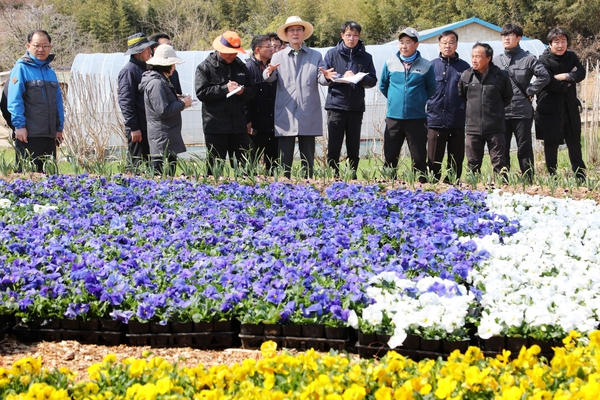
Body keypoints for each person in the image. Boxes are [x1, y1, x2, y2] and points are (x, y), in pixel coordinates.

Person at [264, 16, 335, 178]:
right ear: (287, 35)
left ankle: (308, 187)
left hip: (307, 110)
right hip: (286, 112)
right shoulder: (277, 57)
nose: (295, 33)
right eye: (292, 30)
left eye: (298, 30)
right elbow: (269, 77)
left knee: (308, 158)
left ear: (303, 33)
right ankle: (285, 187)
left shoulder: (315, 56)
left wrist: (328, 77)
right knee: (285, 159)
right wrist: (268, 72)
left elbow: (321, 77)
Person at [494, 23, 550, 181]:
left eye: (510, 35)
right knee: (501, 149)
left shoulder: (529, 58)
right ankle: (502, 181)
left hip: (521, 111)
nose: (506, 38)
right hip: (502, 113)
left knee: (524, 148)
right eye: (504, 35)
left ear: (518, 38)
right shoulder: (497, 61)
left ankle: (528, 180)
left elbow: (544, 76)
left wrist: (530, 90)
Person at [380, 27, 436, 182]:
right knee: (390, 155)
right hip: (393, 118)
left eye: (408, 42)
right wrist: (394, 101)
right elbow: (383, 86)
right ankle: (389, 184)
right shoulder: (390, 63)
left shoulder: (426, 65)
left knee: (418, 156)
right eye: (401, 42)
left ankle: (420, 185)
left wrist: (417, 101)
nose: (404, 46)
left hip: (416, 118)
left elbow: (431, 88)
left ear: (416, 45)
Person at [195, 31, 255, 174]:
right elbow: (201, 93)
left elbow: (252, 91)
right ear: (219, 49)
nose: (232, 55)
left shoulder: (241, 67)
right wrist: (224, 89)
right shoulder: (205, 67)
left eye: (235, 52)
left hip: (238, 125)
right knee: (215, 168)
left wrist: (243, 92)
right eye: (229, 52)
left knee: (245, 168)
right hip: (215, 126)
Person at [323, 20, 377, 179]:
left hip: (356, 107)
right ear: (342, 35)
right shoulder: (332, 54)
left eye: (355, 35)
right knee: (334, 146)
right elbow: (326, 76)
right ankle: (334, 176)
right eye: (348, 35)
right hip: (336, 106)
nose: (351, 38)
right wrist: (341, 76)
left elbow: (372, 80)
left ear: (359, 37)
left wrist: (360, 78)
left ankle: (352, 176)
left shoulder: (366, 57)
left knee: (354, 147)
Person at [6, 29, 64, 173]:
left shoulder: (50, 72)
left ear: (50, 47)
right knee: (28, 179)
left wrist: (59, 128)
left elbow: (58, 102)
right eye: (37, 45)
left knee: (50, 179)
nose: (41, 49)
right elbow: (14, 100)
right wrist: (19, 126)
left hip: (49, 135)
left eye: (45, 46)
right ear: (28, 46)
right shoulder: (21, 69)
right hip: (29, 135)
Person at [535, 27, 587, 181]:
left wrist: (565, 76)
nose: (560, 45)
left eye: (563, 41)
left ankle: (579, 174)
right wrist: (569, 81)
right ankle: (552, 175)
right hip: (550, 108)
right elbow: (548, 82)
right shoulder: (542, 60)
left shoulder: (571, 56)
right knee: (551, 143)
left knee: (574, 141)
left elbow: (581, 73)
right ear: (549, 44)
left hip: (569, 107)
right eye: (556, 42)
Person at [459, 43, 513, 176]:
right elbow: (463, 96)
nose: (474, 60)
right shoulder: (466, 76)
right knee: (472, 163)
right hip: (473, 128)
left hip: (495, 127)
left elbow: (507, 97)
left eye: (478, 56)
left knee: (499, 162)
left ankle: (502, 190)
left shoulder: (501, 76)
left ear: (488, 58)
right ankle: (473, 192)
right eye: (472, 56)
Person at [140, 44, 192, 175]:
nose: (174, 68)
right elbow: (163, 111)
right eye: (173, 64)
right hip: (161, 137)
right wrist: (182, 103)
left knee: (169, 176)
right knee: (159, 175)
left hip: (166, 137)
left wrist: (178, 99)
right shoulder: (156, 83)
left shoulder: (162, 80)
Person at [426, 30, 470, 183]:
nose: (448, 46)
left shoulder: (464, 67)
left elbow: (469, 92)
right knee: (433, 157)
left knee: (456, 157)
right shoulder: (431, 66)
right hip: (435, 118)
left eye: (451, 43)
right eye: (444, 43)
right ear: (439, 45)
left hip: (457, 118)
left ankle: (452, 183)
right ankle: (432, 184)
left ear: (456, 45)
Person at [118, 32, 156, 170]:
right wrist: (134, 127)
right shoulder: (129, 71)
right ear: (138, 52)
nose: (150, 51)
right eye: (147, 49)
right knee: (135, 167)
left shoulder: (145, 68)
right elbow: (125, 101)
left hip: (148, 126)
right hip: (138, 128)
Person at [245, 34, 278, 173]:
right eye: (268, 46)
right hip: (255, 123)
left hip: (272, 122)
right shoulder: (248, 68)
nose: (272, 49)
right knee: (251, 161)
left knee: (273, 163)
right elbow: (245, 97)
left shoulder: (273, 67)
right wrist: (247, 121)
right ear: (257, 49)